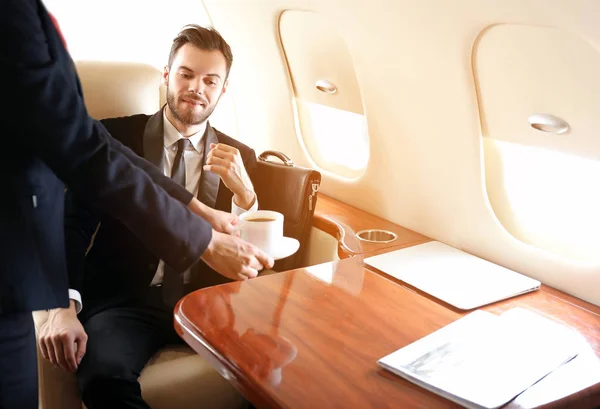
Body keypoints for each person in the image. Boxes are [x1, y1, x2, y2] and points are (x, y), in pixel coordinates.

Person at [0, 3, 273, 409]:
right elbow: (74, 222)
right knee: (104, 377)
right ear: (167, 76)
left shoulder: (241, 156)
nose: (197, 87)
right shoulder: (117, 133)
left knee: (271, 371)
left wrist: (246, 199)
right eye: (186, 74)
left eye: (210, 80)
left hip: (210, 303)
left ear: (223, 90)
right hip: (126, 301)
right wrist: (63, 305)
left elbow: (254, 254)